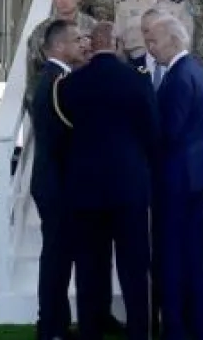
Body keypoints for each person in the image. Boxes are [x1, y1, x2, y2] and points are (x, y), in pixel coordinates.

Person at [56, 21, 159, 340]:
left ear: (92, 44)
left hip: (85, 189)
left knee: (89, 267)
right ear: (115, 43)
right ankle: (139, 331)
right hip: (128, 188)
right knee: (134, 265)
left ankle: (90, 330)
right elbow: (152, 132)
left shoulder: (69, 84)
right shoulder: (137, 81)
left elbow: (63, 137)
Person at [144, 16, 203, 340]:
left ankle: (175, 327)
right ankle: (198, 325)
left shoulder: (176, 78)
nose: (149, 46)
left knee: (171, 256)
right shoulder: (198, 71)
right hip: (194, 178)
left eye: (154, 41)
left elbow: (168, 132)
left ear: (173, 41)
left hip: (173, 181)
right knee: (192, 257)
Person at [30, 20, 82, 340]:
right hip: (57, 183)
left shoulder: (52, 78)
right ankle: (51, 326)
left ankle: (54, 323)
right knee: (56, 259)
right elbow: (66, 136)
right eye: (77, 40)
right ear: (60, 46)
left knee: (57, 257)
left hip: (53, 181)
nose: (83, 44)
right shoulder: (59, 81)